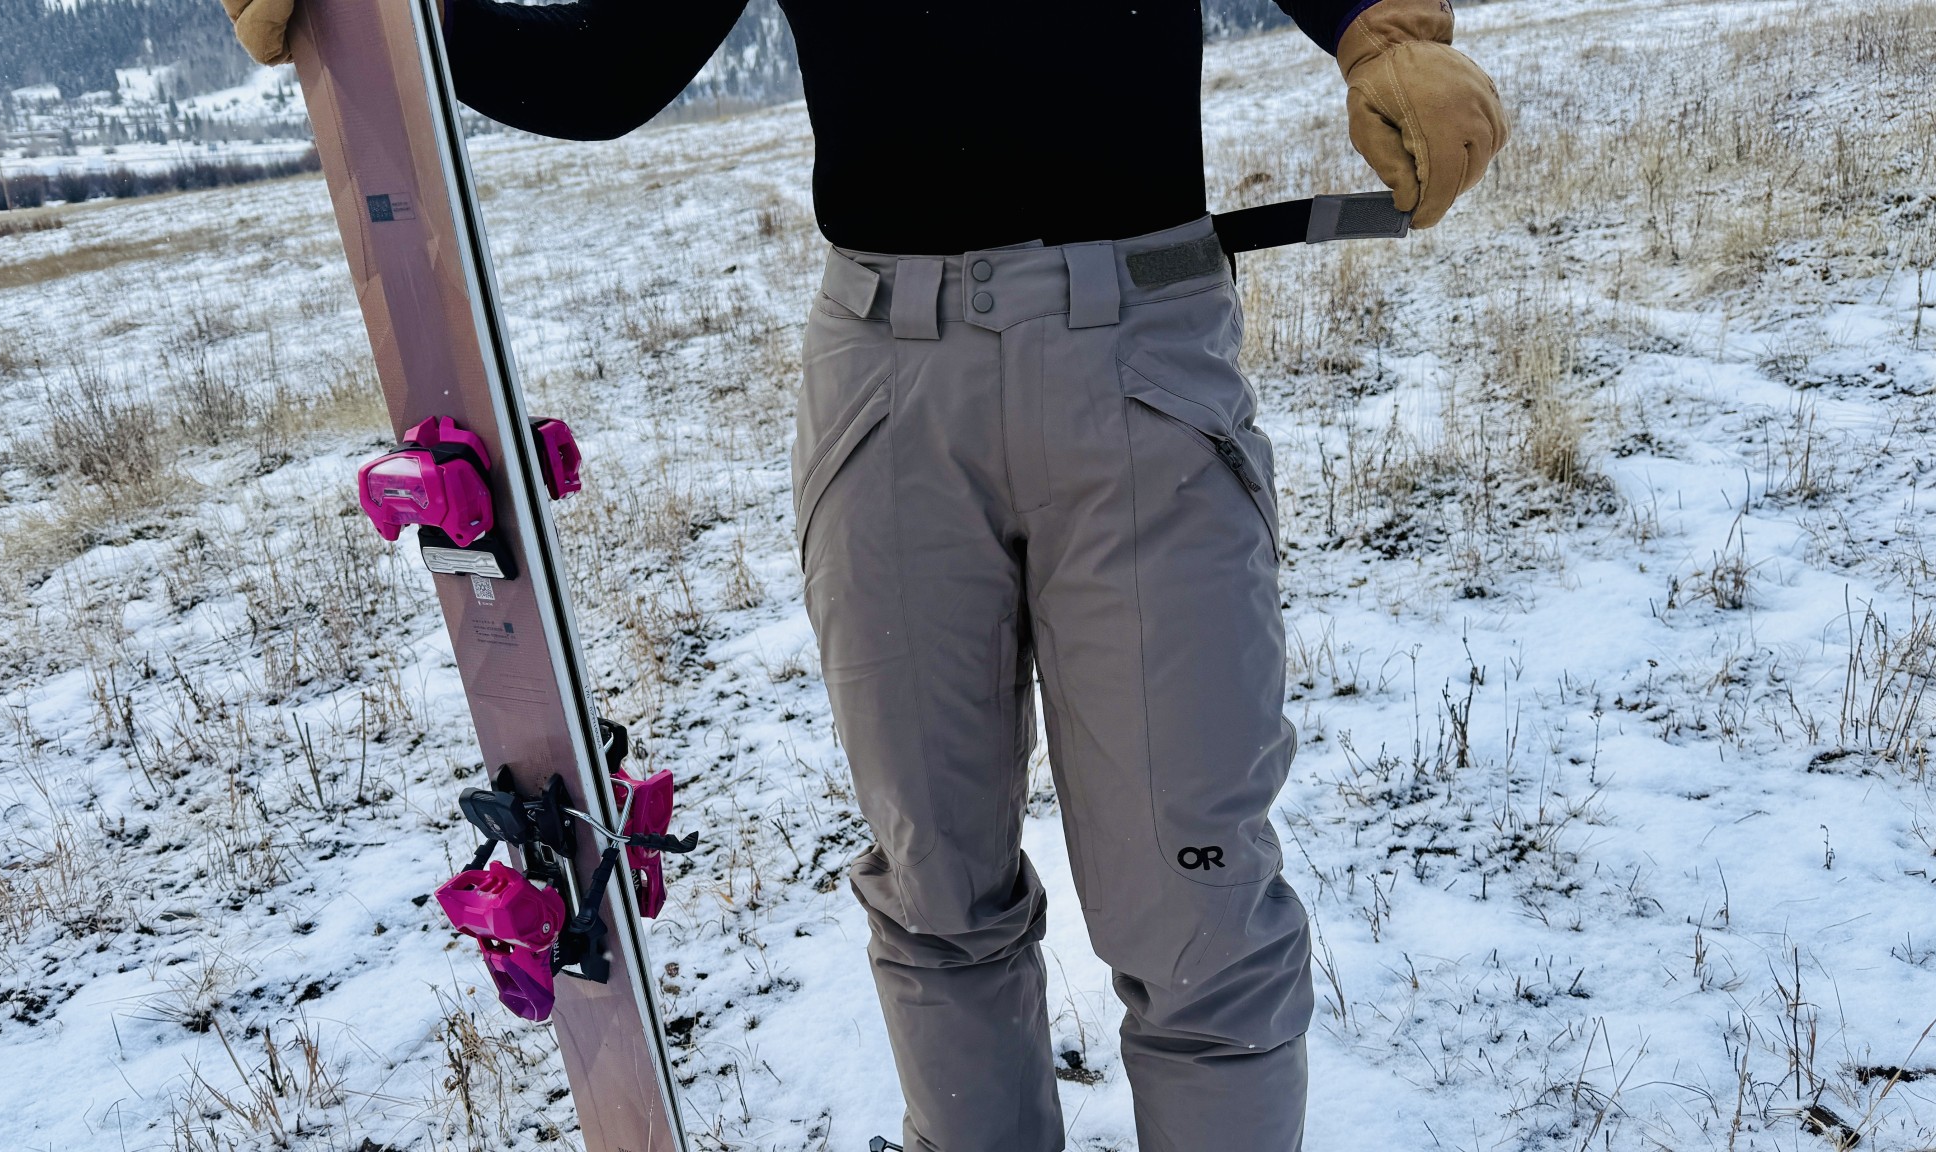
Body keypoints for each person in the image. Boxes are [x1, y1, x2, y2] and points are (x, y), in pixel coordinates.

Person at [221, 1, 1506, 1148]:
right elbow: (612, 66)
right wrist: (396, 19)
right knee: (934, 890)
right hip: (888, 389)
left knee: (1197, 905)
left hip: (1139, 361)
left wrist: (1379, 27)